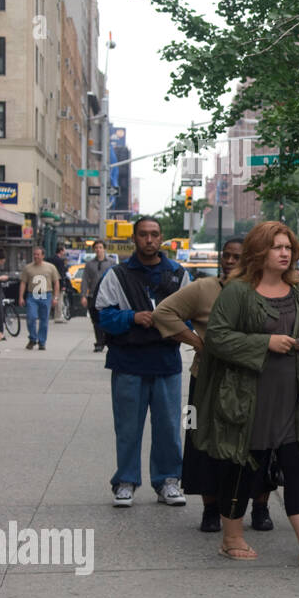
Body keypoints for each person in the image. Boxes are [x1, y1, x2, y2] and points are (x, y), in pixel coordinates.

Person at [192, 221, 299, 565]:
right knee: (241, 466)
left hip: (292, 398)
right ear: (259, 252)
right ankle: (231, 539)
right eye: (277, 247)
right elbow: (216, 337)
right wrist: (265, 342)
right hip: (247, 400)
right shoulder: (238, 292)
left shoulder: (295, 292)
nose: (284, 253)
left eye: (288, 248)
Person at [152, 238, 277, 534]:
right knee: (201, 442)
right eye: (227, 256)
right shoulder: (203, 288)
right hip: (207, 379)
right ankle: (210, 510)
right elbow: (163, 312)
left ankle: (260, 507)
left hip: (253, 379)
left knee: (259, 445)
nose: (230, 261)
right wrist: (197, 342)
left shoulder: (260, 289)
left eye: (237, 256)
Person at [95, 217, 191, 507]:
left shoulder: (177, 274)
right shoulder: (117, 274)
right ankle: (125, 482)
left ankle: (168, 482)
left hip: (165, 363)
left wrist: (174, 326)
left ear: (161, 238)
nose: (149, 240)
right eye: (143, 235)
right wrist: (132, 317)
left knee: (168, 427)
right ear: (134, 238)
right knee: (127, 428)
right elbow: (103, 316)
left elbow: (193, 314)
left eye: (154, 234)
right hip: (128, 362)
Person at [18, 247, 61, 350]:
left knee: (44, 320)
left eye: (38, 254)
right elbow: (23, 283)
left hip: (46, 295)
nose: (36, 256)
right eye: (34, 254)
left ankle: (42, 341)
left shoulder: (50, 267)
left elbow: (56, 282)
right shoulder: (28, 268)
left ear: (43, 256)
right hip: (32, 295)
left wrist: (55, 297)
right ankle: (32, 338)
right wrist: (20, 297)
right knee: (31, 317)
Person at [80, 241, 117, 352]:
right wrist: (83, 295)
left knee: (108, 318)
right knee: (96, 320)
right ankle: (99, 342)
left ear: (104, 249)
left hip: (108, 295)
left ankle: (108, 339)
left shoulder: (111, 263)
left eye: (100, 247)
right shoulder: (89, 264)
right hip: (93, 295)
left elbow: (116, 279)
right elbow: (85, 280)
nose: (98, 249)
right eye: (96, 248)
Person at [47, 243, 70, 323]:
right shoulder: (60, 261)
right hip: (58, 283)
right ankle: (58, 316)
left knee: (49, 298)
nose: (64, 252)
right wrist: (63, 284)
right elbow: (61, 273)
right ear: (61, 251)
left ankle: (46, 314)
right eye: (64, 251)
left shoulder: (49, 259)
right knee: (59, 299)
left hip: (49, 282)